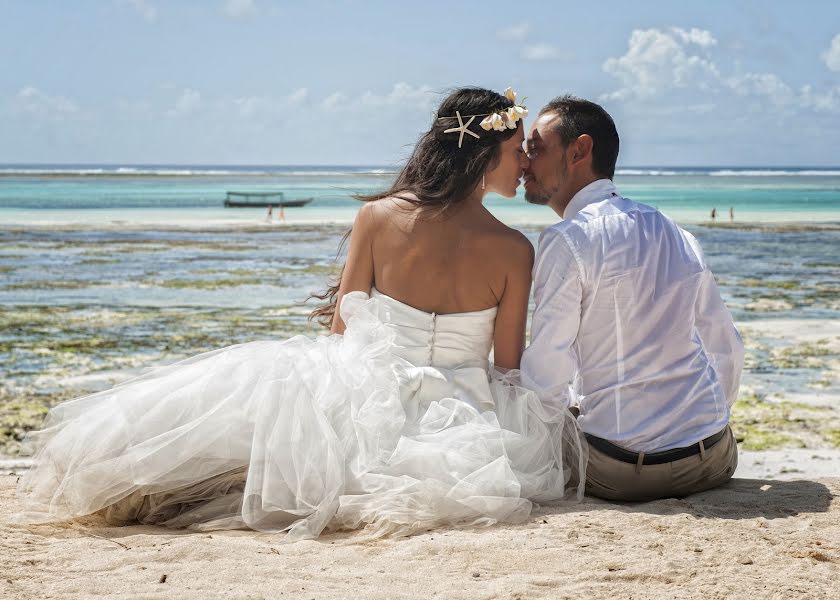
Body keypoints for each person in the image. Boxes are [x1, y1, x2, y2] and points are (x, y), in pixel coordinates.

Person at [16, 87, 586, 541]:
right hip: (464, 410)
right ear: (484, 154)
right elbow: (506, 369)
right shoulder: (514, 249)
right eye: (517, 152)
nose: (525, 165)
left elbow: (345, 330)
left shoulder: (378, 217)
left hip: (373, 388)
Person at [520, 95, 744, 502]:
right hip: (713, 458)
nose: (523, 163)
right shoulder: (678, 233)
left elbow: (547, 372)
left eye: (534, 149)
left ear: (579, 150)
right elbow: (725, 346)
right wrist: (699, 423)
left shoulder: (568, 239)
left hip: (624, 474)